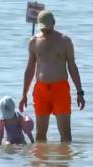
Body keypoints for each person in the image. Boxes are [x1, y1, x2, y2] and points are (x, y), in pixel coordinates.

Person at [19, 10, 85, 142]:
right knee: (40, 134)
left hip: (60, 90)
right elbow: (30, 69)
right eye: (43, 28)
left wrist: (79, 92)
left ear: (54, 23)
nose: (45, 31)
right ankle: (41, 162)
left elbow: (72, 67)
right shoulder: (34, 41)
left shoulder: (65, 41)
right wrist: (24, 94)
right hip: (41, 91)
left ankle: (64, 161)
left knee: (65, 134)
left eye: (47, 27)